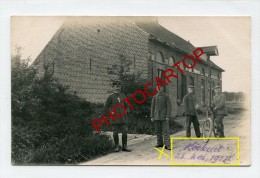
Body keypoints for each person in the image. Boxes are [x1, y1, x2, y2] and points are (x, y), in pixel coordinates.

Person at [104, 80, 131, 152]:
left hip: (123, 118)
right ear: (113, 88)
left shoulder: (123, 96)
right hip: (115, 118)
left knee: (125, 131)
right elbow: (106, 107)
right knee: (115, 132)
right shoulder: (111, 97)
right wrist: (111, 112)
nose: (117, 88)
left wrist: (126, 110)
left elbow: (127, 105)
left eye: (119, 87)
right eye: (116, 87)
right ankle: (116, 146)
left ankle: (124, 146)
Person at [150, 85, 172, 150]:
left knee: (166, 131)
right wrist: (152, 116)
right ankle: (159, 143)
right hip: (156, 116)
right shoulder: (154, 97)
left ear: (162, 88)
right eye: (158, 87)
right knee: (158, 131)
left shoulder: (166, 96)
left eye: (160, 87)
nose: (159, 89)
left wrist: (168, 116)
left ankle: (167, 145)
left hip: (164, 116)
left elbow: (169, 107)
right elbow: (152, 107)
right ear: (156, 89)